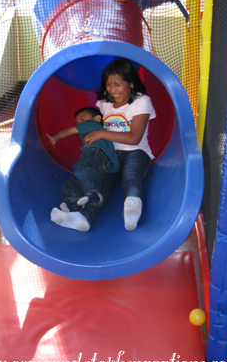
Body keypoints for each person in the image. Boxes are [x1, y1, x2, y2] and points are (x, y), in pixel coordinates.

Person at [50, 58, 156, 232]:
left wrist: (101, 133)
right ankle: (84, 218)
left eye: (118, 84)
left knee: (131, 176)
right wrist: (89, 144)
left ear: (131, 83)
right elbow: (93, 126)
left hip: (136, 151)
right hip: (110, 156)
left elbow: (134, 137)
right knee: (102, 185)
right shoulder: (104, 104)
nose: (113, 90)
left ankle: (132, 207)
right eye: (108, 85)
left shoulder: (141, 101)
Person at [46, 106, 119, 212]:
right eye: (78, 122)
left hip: (97, 155)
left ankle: (93, 192)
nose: (80, 124)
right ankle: (73, 203)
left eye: (83, 119)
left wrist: (55, 138)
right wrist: (83, 148)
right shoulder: (94, 133)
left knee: (81, 166)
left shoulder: (92, 125)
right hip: (104, 166)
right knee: (72, 182)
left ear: (98, 119)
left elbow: (68, 131)